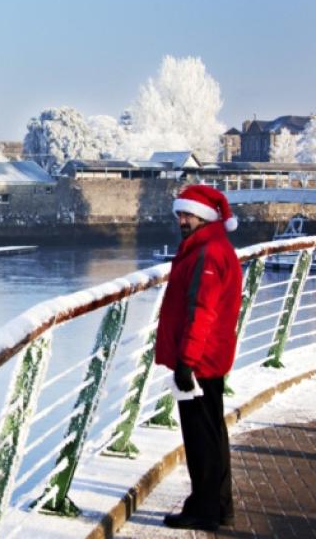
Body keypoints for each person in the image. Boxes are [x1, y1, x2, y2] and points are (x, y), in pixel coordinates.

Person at [154, 184, 242, 532]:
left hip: (200, 360)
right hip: (211, 355)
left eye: (187, 214)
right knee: (213, 433)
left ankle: (204, 510)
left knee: (201, 438)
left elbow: (201, 310)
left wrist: (186, 363)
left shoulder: (207, 254)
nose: (182, 220)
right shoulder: (214, 248)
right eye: (180, 214)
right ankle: (219, 505)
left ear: (204, 216)